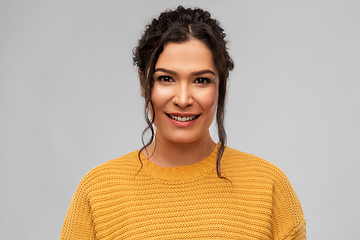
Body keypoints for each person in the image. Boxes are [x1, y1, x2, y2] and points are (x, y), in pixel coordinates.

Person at [60, 6, 306, 240]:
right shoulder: (98, 192)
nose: (183, 99)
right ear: (144, 84)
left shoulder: (269, 188)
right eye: (166, 78)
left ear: (221, 85)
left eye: (201, 80)